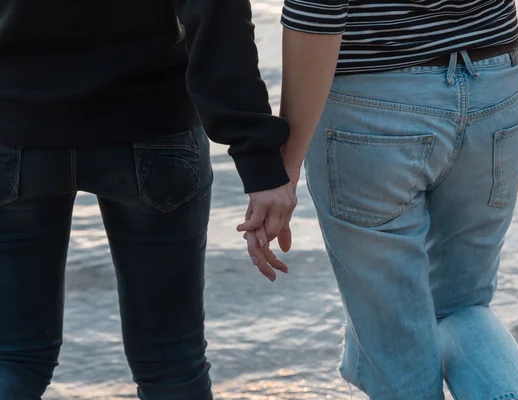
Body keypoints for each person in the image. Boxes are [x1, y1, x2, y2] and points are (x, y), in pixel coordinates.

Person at [241, 0, 518, 398]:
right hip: (493, 88)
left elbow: (318, 11)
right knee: (464, 311)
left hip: (373, 105)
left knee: (396, 348)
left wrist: (285, 169)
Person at [0, 1, 296, 399]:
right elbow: (215, 12)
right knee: (171, 364)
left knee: (13, 359)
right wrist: (259, 161)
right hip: (152, 128)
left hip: (13, 128)